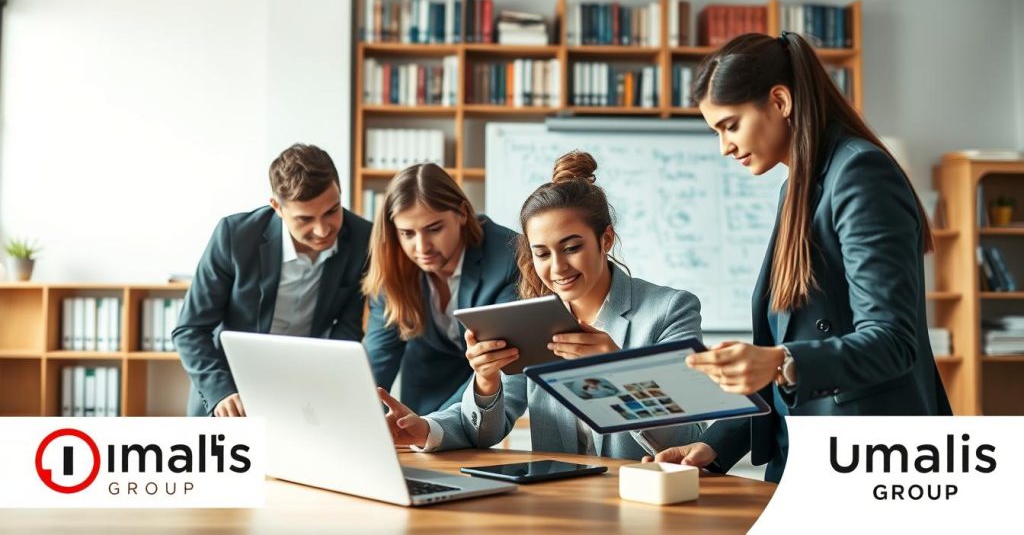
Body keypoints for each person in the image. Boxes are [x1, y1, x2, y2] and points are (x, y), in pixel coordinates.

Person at [648, 32, 952, 482]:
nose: (724, 146)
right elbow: (790, 346)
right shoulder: (797, 186)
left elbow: (893, 341)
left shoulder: (859, 174)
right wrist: (713, 446)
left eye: (730, 125)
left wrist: (780, 359)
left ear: (780, 100)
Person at [377, 151, 704, 459]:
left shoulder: (669, 311)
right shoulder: (533, 318)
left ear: (605, 239)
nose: (558, 268)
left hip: (640, 500)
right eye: (542, 253)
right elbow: (486, 429)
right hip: (558, 500)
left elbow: (688, 437)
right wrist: (483, 385)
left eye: (572, 247)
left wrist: (619, 373)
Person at [174, 144, 372, 417]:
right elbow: (190, 330)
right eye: (305, 219)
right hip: (232, 390)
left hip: (307, 390)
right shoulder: (234, 236)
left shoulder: (362, 239)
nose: (323, 230)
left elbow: (348, 329)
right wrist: (221, 393)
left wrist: (325, 383)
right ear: (277, 207)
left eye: (331, 211)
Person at [362, 163, 519, 415]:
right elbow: (376, 361)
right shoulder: (393, 265)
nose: (421, 247)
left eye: (434, 229)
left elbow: (500, 361)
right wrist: (355, 418)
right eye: (407, 233)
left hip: (489, 382)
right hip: (426, 381)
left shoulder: (509, 258)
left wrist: (434, 426)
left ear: (463, 214)